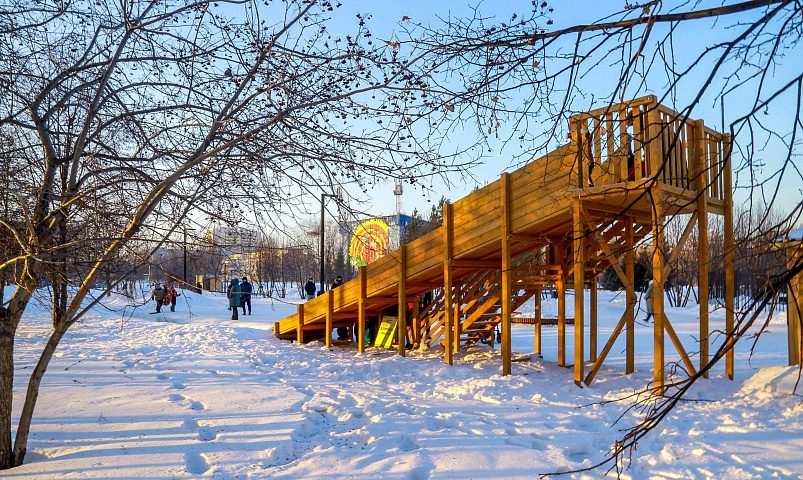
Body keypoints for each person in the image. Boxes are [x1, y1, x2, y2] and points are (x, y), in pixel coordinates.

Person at [331, 276, 348, 340]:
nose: (339, 280)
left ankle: (344, 335)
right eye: (338, 279)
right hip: (336, 301)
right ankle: (343, 335)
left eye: (340, 279)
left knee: (343, 323)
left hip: (342, 301)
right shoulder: (334, 285)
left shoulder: (342, 284)